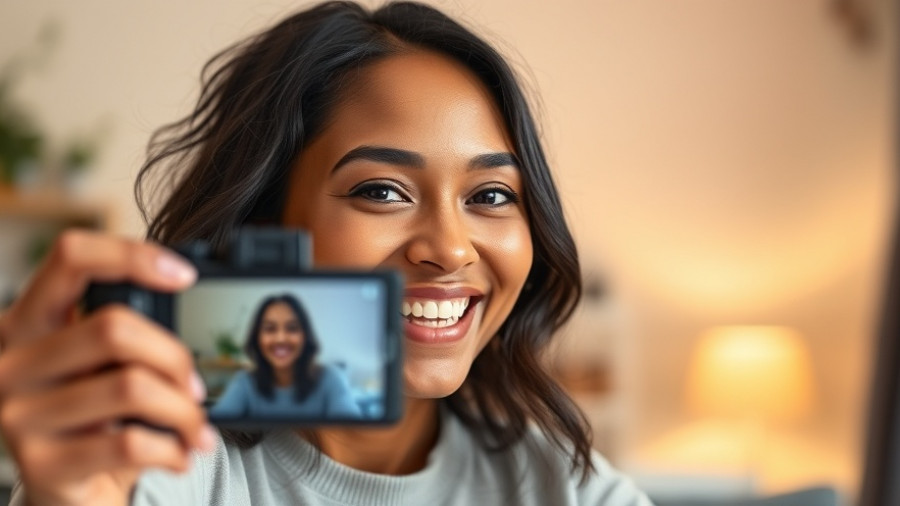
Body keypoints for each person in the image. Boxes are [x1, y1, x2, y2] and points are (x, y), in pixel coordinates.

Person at [0, 1, 654, 504]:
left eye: (490, 195)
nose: (452, 249)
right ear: (267, 223)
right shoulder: (152, 468)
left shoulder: (571, 490)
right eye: (382, 191)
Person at [209, 293, 363, 419]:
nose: (281, 339)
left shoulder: (331, 379)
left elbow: (355, 434)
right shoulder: (245, 382)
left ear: (305, 336)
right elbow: (215, 431)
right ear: (257, 337)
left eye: (292, 328)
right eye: (270, 329)